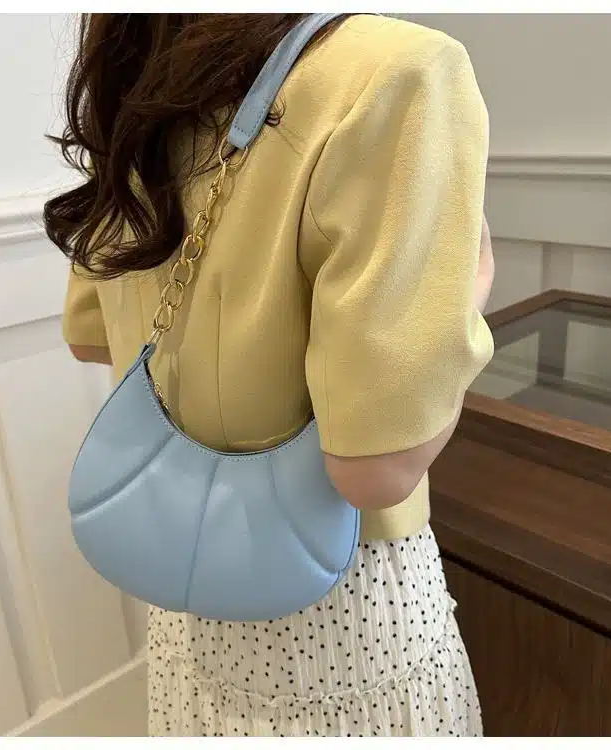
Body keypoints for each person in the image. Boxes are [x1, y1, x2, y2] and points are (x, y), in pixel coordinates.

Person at [47, 13, 495, 737]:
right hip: (342, 628)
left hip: (185, 604)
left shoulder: (139, 72)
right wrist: (471, 289)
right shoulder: (397, 69)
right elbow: (375, 471)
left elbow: (92, 340)